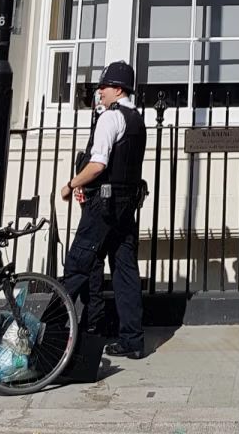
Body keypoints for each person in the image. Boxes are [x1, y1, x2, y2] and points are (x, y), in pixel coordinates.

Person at [60, 60, 147, 361]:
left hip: (104, 204)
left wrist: (71, 184)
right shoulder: (136, 120)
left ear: (118, 89)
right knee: (125, 270)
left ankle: (50, 331)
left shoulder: (111, 118)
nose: (99, 92)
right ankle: (132, 341)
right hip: (126, 205)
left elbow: (98, 165)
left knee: (77, 265)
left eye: (104, 87)